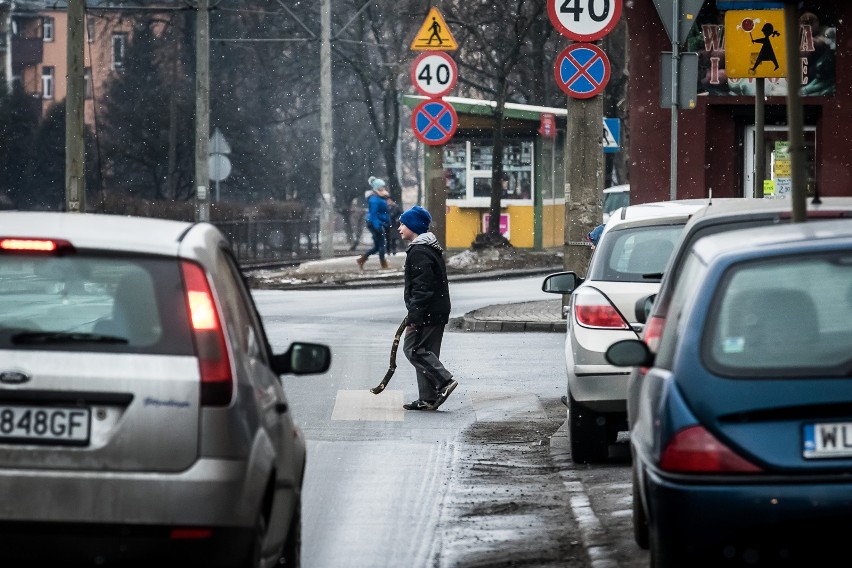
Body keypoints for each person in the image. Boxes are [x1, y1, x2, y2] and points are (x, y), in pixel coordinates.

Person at [397, 205, 457, 411]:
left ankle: (444, 380)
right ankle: (429, 398)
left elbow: (424, 288)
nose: (399, 228)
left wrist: (415, 314)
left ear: (413, 226)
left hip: (428, 311)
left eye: (403, 224)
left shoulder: (419, 251)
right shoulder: (427, 248)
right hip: (436, 309)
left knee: (413, 349)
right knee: (426, 352)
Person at [357, 177, 391, 269]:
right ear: (377, 188)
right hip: (376, 224)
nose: (384, 188)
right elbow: (373, 214)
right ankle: (383, 264)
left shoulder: (380, 198)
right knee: (381, 244)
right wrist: (377, 226)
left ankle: (362, 260)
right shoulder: (374, 200)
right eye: (382, 187)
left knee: (377, 246)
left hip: (380, 223)